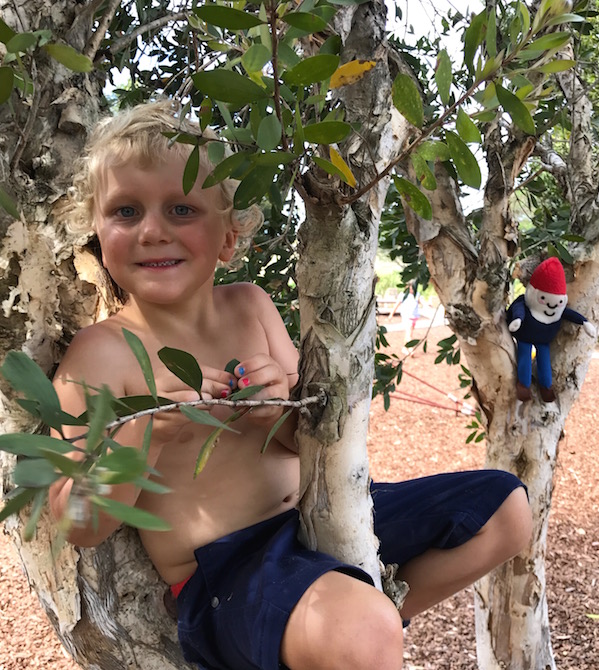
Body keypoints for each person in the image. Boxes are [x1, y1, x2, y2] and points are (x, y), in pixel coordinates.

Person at [48, 101, 532, 670]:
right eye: (126, 211)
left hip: (323, 512)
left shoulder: (250, 307)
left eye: (181, 208)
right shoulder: (99, 355)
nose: (152, 230)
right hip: (229, 571)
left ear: (228, 238)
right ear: (98, 232)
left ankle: (368, 623)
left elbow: (298, 438)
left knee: (505, 509)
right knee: (362, 633)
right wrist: (146, 437)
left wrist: (275, 408)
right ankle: (358, 635)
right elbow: (75, 522)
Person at [387, 281, 423, 354]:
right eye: (410, 287)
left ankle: (404, 348)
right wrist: (391, 314)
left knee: (409, 333)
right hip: (406, 316)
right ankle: (411, 349)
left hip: (414, 316)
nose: (411, 289)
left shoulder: (417, 294)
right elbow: (397, 304)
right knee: (409, 333)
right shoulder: (403, 295)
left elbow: (421, 302)